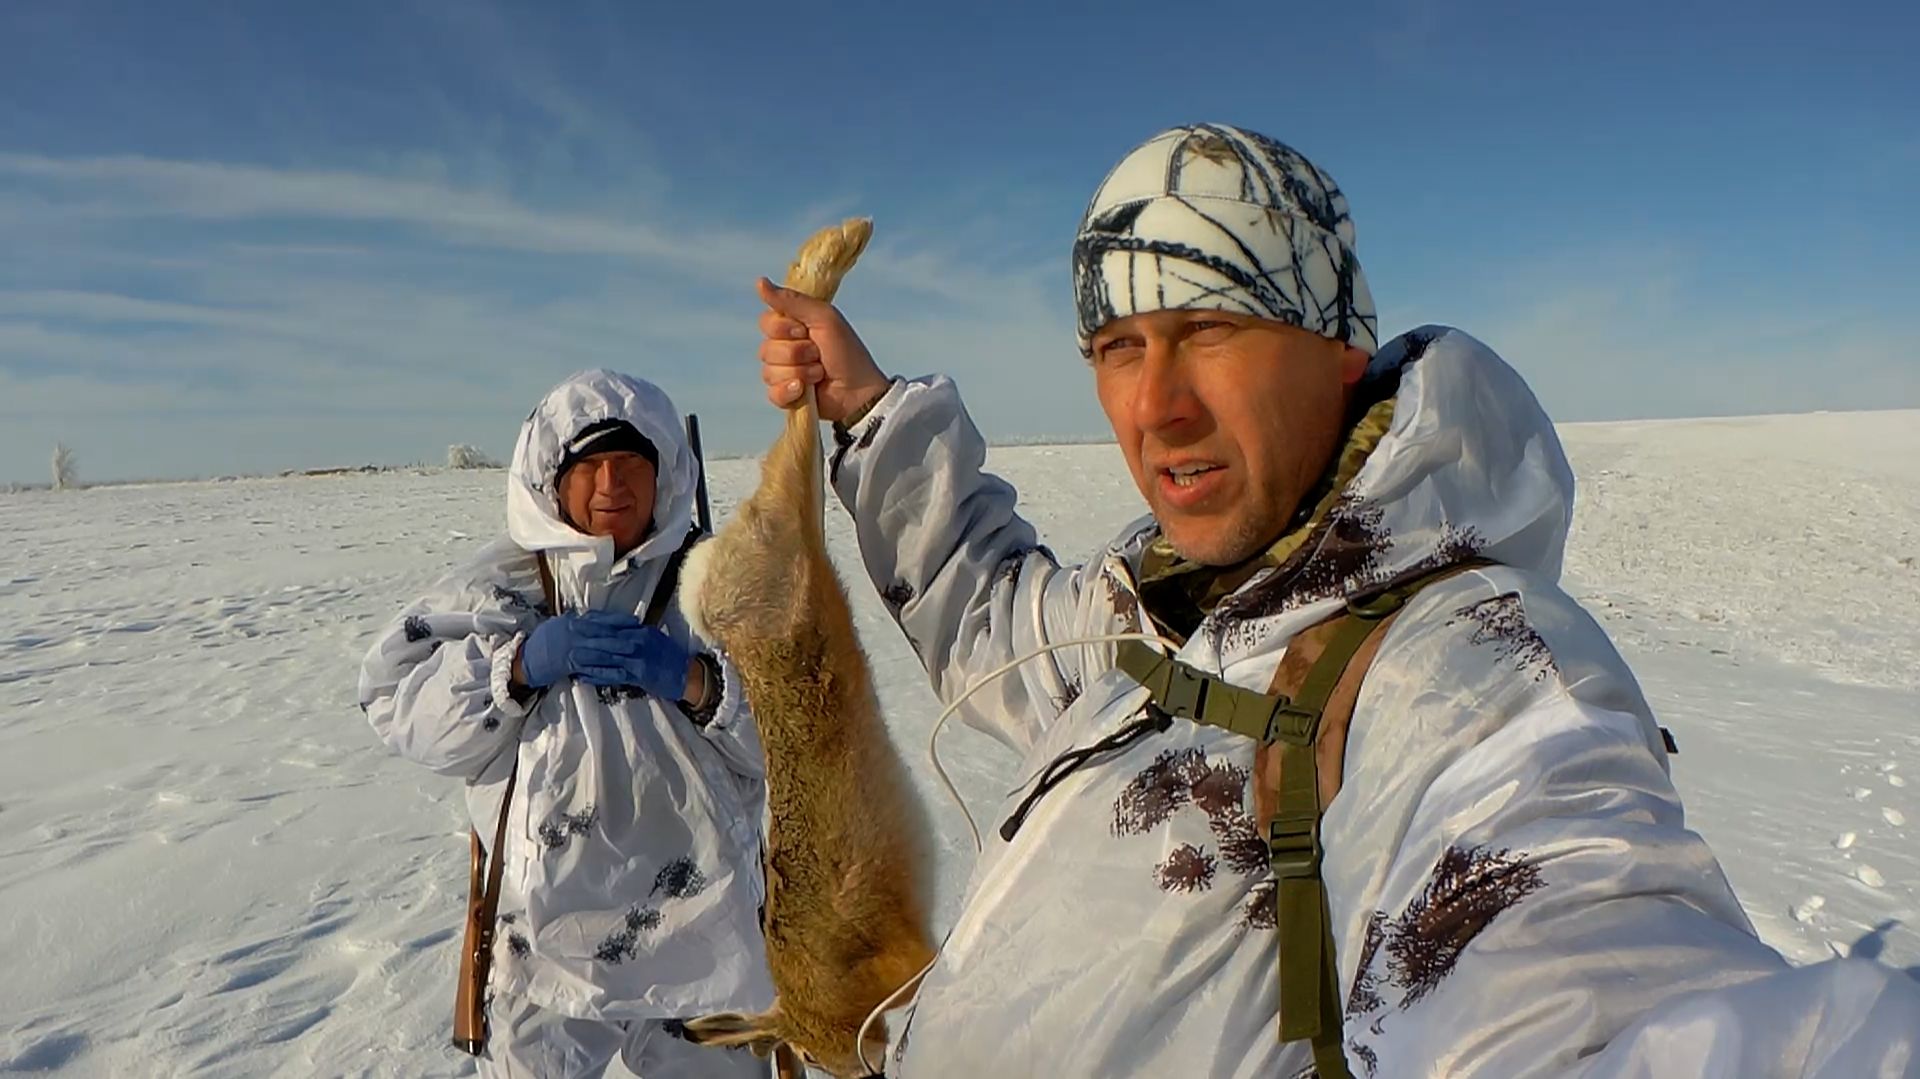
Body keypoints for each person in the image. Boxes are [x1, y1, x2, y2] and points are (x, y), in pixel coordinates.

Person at [751, 124, 1920, 1077]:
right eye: (1117, 344)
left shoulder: (1456, 665)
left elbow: (1579, 983)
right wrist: (869, 410)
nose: (1156, 406)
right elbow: (996, 619)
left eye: (1210, 329)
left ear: (1338, 349)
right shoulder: (1178, 602)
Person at [358, 369, 771, 1078]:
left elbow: (799, 745)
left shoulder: (717, 591)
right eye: (591, 465)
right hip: (542, 940)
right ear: (552, 480)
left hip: (702, 930)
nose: (613, 482)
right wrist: (513, 669)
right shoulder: (501, 586)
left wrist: (701, 683)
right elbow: (395, 703)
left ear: (666, 473)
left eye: (632, 462)